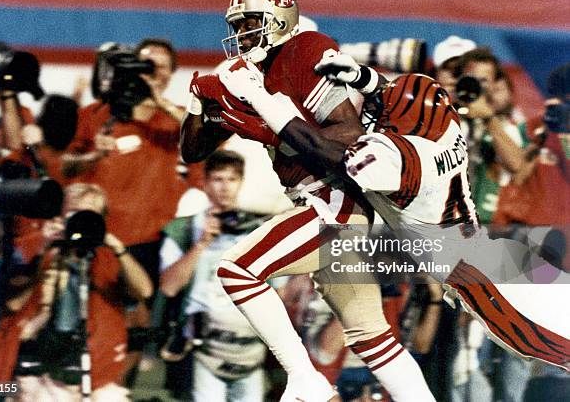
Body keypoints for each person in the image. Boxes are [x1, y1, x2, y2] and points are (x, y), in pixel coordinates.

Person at [216, 52, 570, 373]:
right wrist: (362, 77)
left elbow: (318, 147)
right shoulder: (445, 124)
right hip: (493, 253)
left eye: (385, 114)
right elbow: (410, 95)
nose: (376, 115)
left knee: (558, 350)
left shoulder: (399, 156)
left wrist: (260, 99)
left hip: (476, 276)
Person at [181, 0, 435, 402]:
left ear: (279, 21)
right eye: (238, 26)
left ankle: (304, 378)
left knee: (237, 269)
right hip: (320, 204)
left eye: (249, 24)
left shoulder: (305, 52)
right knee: (374, 338)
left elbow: (346, 141)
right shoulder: (254, 74)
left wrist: (266, 121)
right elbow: (193, 150)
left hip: (334, 200)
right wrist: (197, 106)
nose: (241, 36)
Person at [62, 38, 201, 384]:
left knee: (137, 325)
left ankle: (119, 391)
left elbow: (211, 137)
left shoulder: (172, 121)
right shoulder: (97, 116)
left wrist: (159, 101)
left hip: (146, 239)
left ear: (170, 74)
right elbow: (59, 166)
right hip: (95, 231)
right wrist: (92, 156)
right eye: (144, 65)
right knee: (82, 317)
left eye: (159, 67)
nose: (150, 73)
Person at [0, 183, 153, 401]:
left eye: (90, 215)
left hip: (96, 371)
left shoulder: (109, 258)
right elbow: (14, 304)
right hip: (40, 370)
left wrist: (115, 246)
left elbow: (144, 290)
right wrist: (43, 249)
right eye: (75, 213)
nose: (81, 222)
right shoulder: (34, 247)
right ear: (61, 215)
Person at [159, 150, 278, 402]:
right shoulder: (183, 229)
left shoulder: (259, 228)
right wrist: (201, 244)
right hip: (200, 342)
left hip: (248, 342)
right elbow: (169, 287)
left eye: (231, 179)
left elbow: (278, 288)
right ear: (204, 183)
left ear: (241, 183)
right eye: (217, 179)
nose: (224, 187)